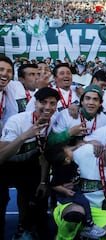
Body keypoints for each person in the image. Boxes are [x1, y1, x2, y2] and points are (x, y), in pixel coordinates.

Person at [52, 132, 106, 240]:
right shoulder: (86, 152)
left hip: (96, 211)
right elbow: (56, 155)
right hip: (70, 205)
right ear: (105, 145)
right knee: (76, 213)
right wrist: (57, 182)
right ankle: (63, 238)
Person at [0, 87, 60, 240]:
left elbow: (43, 154)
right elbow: (1, 157)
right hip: (6, 165)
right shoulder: (17, 121)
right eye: (43, 102)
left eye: (52, 104)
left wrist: (43, 181)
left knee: (38, 195)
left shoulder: (53, 120)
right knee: (2, 199)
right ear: (35, 103)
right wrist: (25, 136)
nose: (47, 107)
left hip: (29, 162)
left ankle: (26, 226)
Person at [44, 144, 106, 239]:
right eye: (69, 150)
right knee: (84, 202)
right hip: (70, 192)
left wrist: (78, 145)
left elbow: (67, 150)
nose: (71, 150)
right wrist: (65, 191)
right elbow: (53, 185)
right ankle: (88, 225)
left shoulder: (65, 160)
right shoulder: (60, 171)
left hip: (74, 187)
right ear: (67, 160)